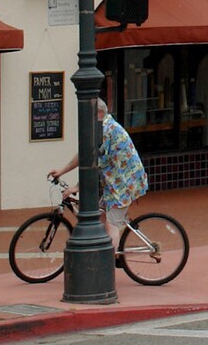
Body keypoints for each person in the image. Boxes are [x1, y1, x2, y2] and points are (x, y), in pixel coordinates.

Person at [50, 97, 148, 241]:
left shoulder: (105, 130)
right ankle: (103, 251)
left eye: (89, 113)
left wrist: (77, 187)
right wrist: (62, 171)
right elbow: (85, 154)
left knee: (111, 225)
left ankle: (109, 262)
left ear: (99, 113)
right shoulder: (101, 127)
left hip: (123, 185)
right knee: (100, 218)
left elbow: (93, 162)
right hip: (114, 184)